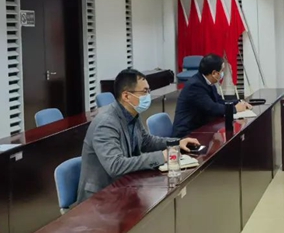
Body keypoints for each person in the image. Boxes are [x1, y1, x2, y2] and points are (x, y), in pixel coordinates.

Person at [77, 69, 200, 203]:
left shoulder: (132, 114)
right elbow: (115, 166)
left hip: (124, 186)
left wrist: (176, 143)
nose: (148, 96)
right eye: (144, 92)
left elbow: (146, 142)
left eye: (148, 91)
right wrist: (161, 156)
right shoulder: (106, 123)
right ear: (126, 96)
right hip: (100, 198)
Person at [172, 54, 251, 138]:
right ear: (214, 73)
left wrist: (238, 102)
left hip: (200, 128)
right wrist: (235, 109)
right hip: (187, 134)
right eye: (222, 71)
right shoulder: (195, 86)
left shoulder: (207, 81)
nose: (222, 74)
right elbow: (212, 108)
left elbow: (219, 100)